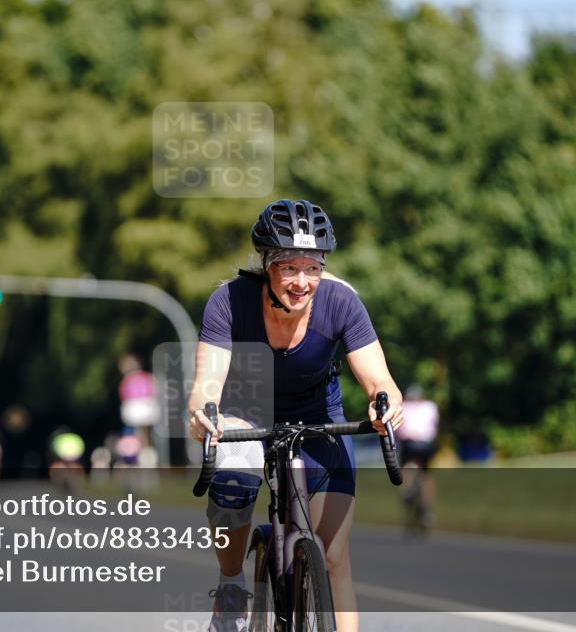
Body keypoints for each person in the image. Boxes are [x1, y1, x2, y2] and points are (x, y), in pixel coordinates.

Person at [188, 199, 404, 632]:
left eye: (313, 268)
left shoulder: (341, 303)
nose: (302, 282)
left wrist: (385, 405)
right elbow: (207, 386)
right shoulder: (229, 302)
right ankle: (231, 586)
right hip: (247, 415)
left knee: (335, 556)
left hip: (318, 418)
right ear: (267, 265)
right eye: (289, 267)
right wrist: (202, 414)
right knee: (235, 478)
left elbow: (381, 380)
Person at [396, 384, 439, 531]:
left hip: (409, 444)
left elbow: (399, 430)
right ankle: (426, 508)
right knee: (426, 474)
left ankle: (407, 489)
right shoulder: (430, 406)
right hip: (427, 445)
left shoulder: (404, 406)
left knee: (403, 467)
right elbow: (434, 426)